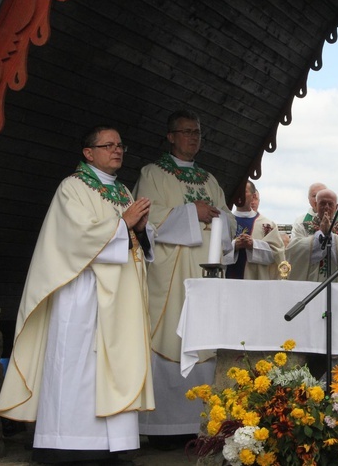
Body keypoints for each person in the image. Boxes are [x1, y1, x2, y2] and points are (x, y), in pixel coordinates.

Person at [0, 126, 155, 464]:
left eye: (120, 145)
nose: (117, 150)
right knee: (78, 364)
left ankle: (116, 443)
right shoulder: (72, 187)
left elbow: (134, 239)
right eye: (108, 145)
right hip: (82, 295)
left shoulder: (123, 190)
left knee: (115, 364)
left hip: (119, 297)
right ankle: (66, 441)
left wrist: (139, 229)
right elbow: (75, 238)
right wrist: (123, 225)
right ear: (88, 153)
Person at [133, 110, 234, 448]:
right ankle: (164, 428)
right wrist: (194, 213)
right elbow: (146, 217)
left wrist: (220, 220)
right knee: (171, 338)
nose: (194, 137)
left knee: (205, 340)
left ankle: (202, 423)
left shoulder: (209, 179)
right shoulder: (152, 174)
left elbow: (227, 220)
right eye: (187, 132)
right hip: (172, 277)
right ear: (171, 136)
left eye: (198, 132)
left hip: (205, 274)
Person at [286, 188, 338, 281]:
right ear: (316, 205)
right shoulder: (301, 228)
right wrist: (319, 236)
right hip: (310, 283)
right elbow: (293, 250)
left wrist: (332, 238)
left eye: (330, 204)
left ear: (336, 207)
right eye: (323, 203)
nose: (326, 207)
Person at [223, 180, 284, 280]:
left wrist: (253, 245)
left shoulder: (267, 225)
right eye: (237, 191)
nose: (239, 194)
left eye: (244, 191)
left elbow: (277, 255)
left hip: (256, 281)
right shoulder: (224, 221)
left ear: (253, 196)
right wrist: (234, 246)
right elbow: (215, 252)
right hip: (229, 280)